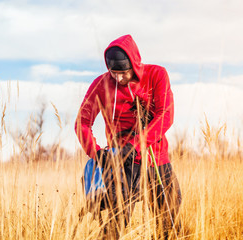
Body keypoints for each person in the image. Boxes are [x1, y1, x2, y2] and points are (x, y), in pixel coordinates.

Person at [75, 34, 182, 238]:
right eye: (113, 73)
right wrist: (97, 154)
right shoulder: (102, 84)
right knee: (117, 223)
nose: (119, 78)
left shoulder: (156, 75)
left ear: (134, 63)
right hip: (120, 163)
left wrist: (135, 145)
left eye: (123, 72)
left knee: (169, 217)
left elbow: (165, 115)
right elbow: (82, 122)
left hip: (155, 159)